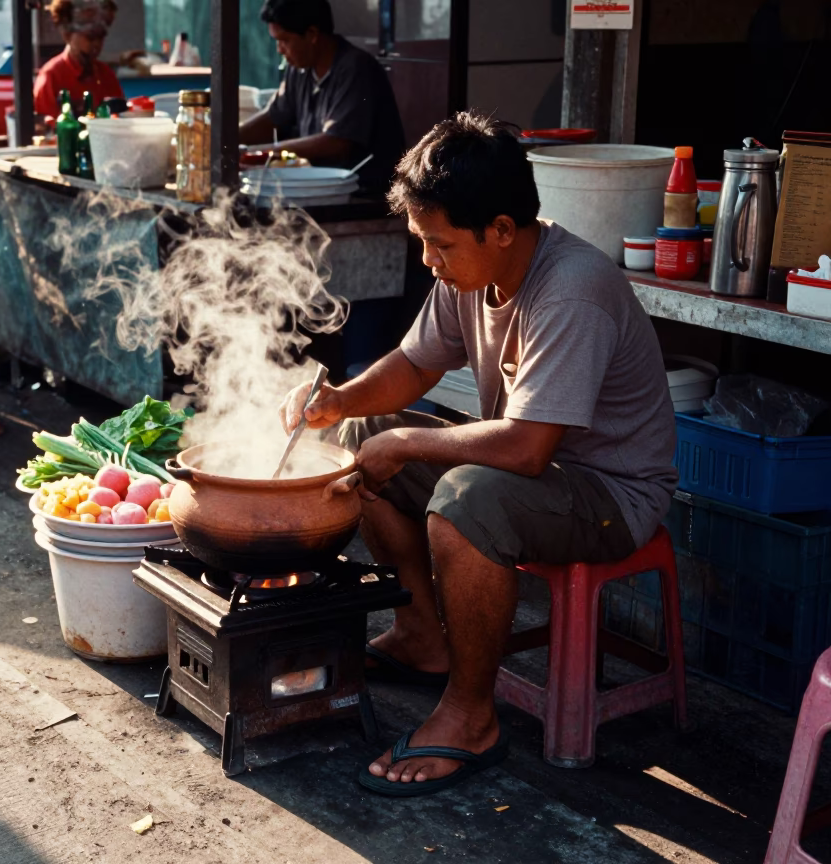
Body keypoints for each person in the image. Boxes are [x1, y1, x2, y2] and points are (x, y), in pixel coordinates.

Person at [279, 112, 678, 796]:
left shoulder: (572, 289)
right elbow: (413, 362)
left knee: (465, 500)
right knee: (360, 443)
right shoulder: (471, 272)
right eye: (423, 243)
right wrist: (341, 401)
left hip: (611, 493)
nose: (429, 261)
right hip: (543, 472)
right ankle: (420, 637)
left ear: (500, 229)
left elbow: (524, 449)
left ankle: (470, 716)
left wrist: (406, 441)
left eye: (440, 246)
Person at [240, 0, 406, 191]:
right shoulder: (299, 69)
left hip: (365, 196)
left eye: (284, 40)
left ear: (312, 34)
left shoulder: (356, 68)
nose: (279, 50)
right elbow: (274, 116)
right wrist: (227, 141)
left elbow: (336, 142)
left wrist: (256, 152)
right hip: (322, 187)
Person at [33, 0, 124, 117]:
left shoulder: (106, 75)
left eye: (100, 38)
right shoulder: (51, 77)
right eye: (90, 37)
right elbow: (46, 127)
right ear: (67, 35)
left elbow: (121, 119)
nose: (96, 44)